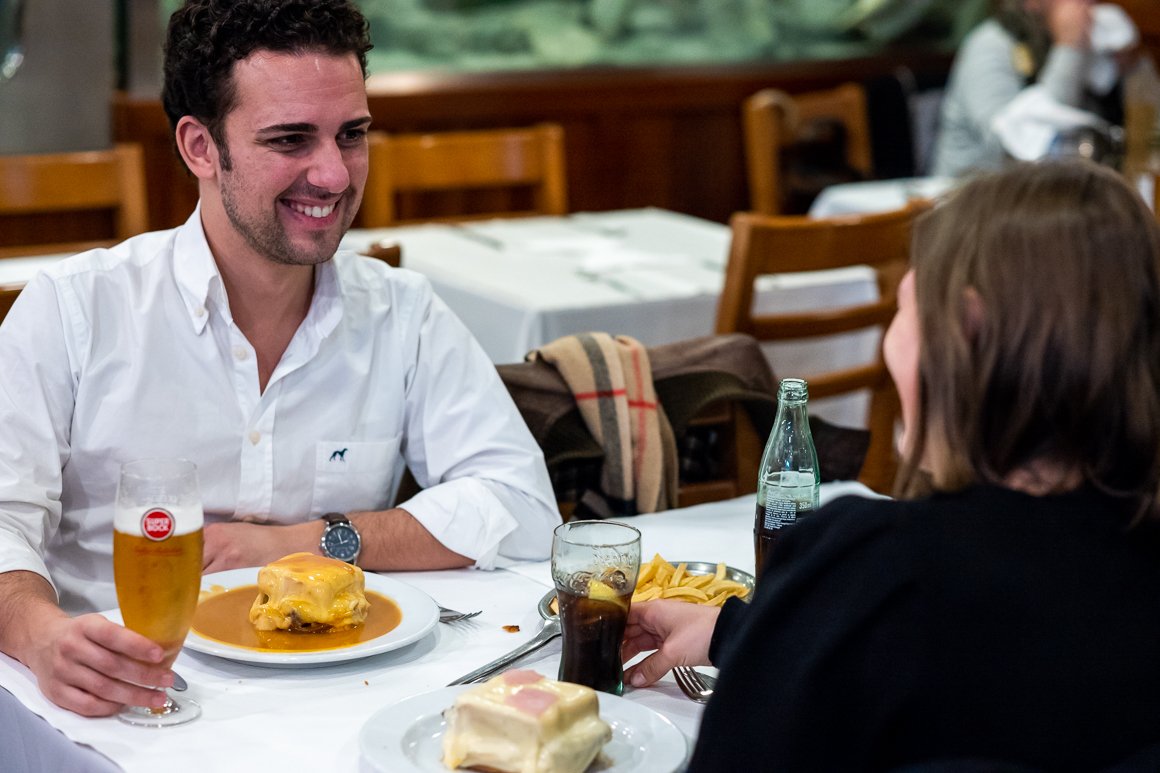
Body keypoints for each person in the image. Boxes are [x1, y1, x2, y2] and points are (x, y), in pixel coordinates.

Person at [0, 0, 559, 717]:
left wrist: (313, 542)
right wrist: (39, 634)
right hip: (123, 700)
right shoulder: (76, 309)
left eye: (351, 135)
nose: (334, 175)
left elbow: (522, 506)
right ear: (200, 147)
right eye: (291, 139)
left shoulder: (402, 312)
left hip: (347, 696)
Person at [623, 159, 1160, 770]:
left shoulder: (874, 571)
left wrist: (795, 624)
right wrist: (746, 633)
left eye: (904, 306)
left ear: (967, 330)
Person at [933, 0, 1137, 177]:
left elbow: (1087, 136)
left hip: (1046, 196)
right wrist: (1069, 49)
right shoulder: (990, 45)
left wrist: (1116, 68)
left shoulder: (1060, 40)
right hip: (972, 196)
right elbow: (1018, 147)